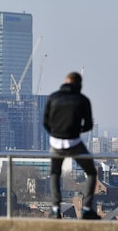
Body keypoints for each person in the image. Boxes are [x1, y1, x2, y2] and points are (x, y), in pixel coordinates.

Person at [43, 71, 100, 220]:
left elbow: (45, 122)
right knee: (91, 172)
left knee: (55, 173)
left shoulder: (53, 97)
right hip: (73, 142)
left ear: (65, 82)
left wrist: (55, 133)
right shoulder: (82, 100)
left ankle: (55, 209)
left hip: (55, 141)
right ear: (79, 85)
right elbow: (88, 125)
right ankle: (87, 209)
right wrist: (75, 131)